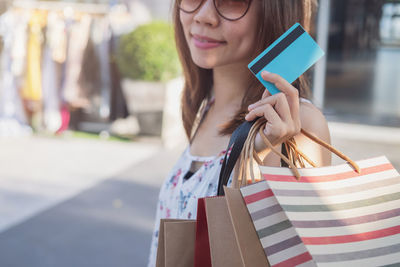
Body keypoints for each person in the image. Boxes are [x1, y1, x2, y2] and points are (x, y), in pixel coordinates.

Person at [147, 0, 331, 265]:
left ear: (274, 12)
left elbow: (279, 255)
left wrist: (263, 153)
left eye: (231, 2)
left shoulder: (300, 126)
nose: (203, 16)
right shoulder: (205, 106)